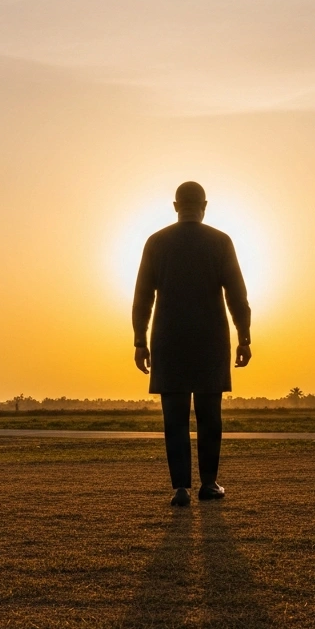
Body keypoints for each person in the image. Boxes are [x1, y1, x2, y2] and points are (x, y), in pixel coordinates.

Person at [132, 182, 251, 507]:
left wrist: (140, 341)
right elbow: (237, 294)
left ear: (175, 206)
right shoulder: (220, 241)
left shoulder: (156, 242)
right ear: (205, 205)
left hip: (169, 339)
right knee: (210, 416)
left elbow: (143, 296)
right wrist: (244, 337)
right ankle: (209, 484)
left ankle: (181, 488)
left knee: (175, 419)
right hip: (210, 339)